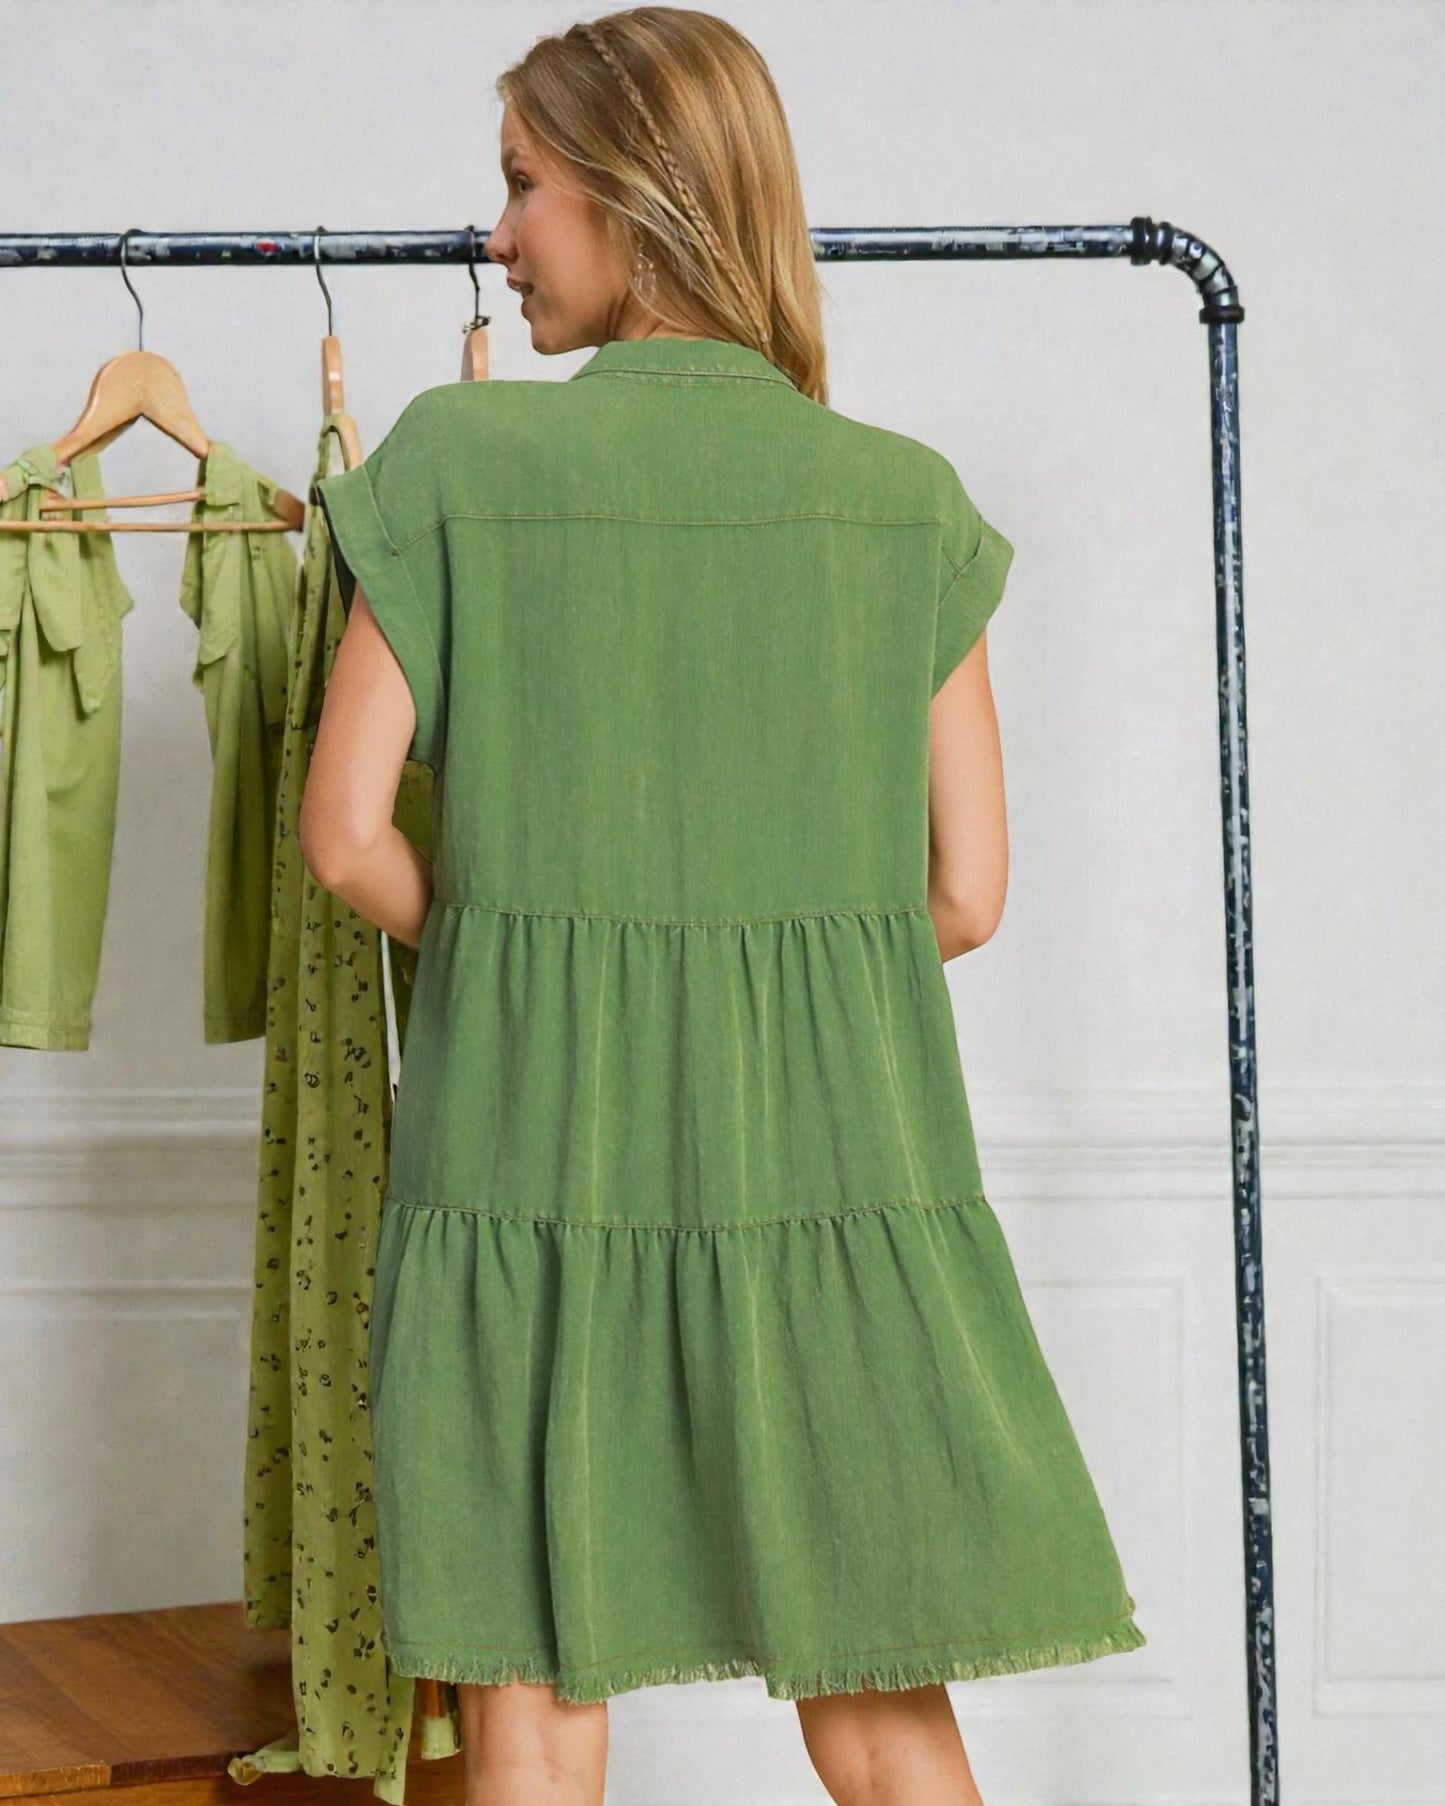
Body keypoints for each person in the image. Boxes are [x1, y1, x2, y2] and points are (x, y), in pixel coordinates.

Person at [300, 10, 1145, 1805]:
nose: (499, 234)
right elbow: (967, 895)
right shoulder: (899, 507)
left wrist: (523, 942)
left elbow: (343, 833)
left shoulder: (455, 463)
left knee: (526, 1695)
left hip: (528, 1153)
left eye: (522, 187)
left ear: (632, 194)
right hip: (829, 1162)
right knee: (881, 1699)